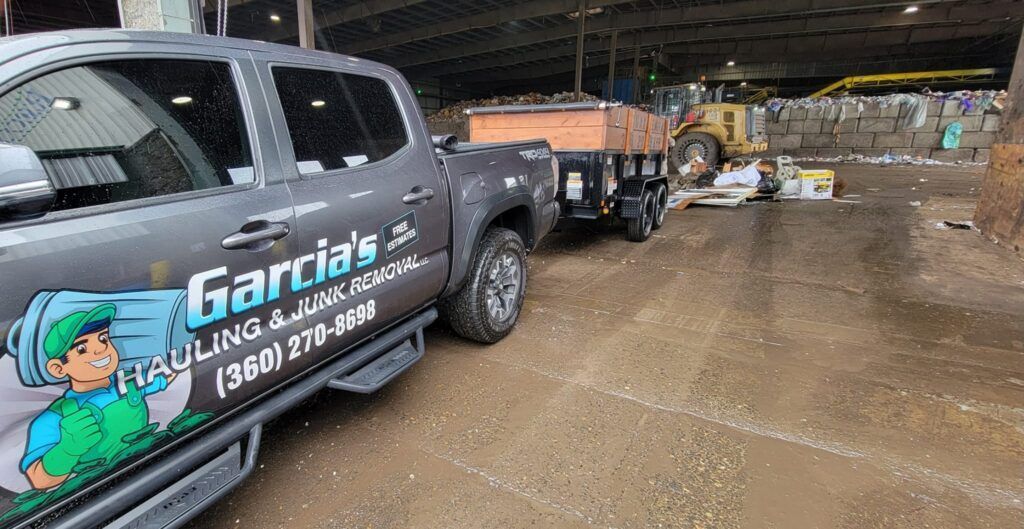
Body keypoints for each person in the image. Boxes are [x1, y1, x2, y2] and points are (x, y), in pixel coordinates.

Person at [20, 303, 174, 490]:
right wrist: (67, 450)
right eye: (82, 349)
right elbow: (38, 479)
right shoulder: (52, 418)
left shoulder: (129, 381)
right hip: (100, 489)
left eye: (103, 338)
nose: (101, 349)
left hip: (149, 465)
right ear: (58, 368)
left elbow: (171, 372)